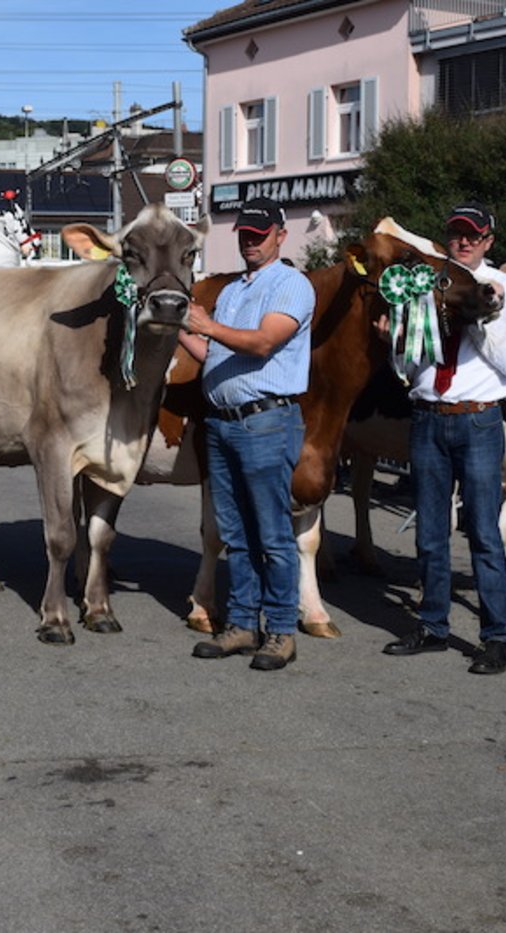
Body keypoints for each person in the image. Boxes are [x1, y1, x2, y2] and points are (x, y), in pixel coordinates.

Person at [382, 201, 506, 675]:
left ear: (488, 241)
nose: (463, 241)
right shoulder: (425, 284)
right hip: (428, 415)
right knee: (429, 531)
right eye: (456, 233)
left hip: (478, 418)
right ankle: (432, 625)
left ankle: (496, 637)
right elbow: (408, 369)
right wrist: (395, 339)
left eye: (473, 235)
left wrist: (477, 319)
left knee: (484, 531)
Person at [178, 197, 315, 671]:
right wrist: (178, 326)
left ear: (280, 234)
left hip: (264, 421)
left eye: (259, 234)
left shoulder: (291, 285)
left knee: (272, 533)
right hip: (224, 421)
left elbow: (262, 343)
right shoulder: (235, 289)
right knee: (235, 532)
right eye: (244, 233)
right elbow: (213, 355)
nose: (250, 241)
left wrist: (207, 324)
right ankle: (241, 623)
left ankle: (279, 631)